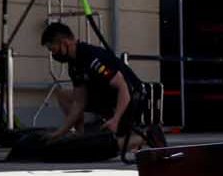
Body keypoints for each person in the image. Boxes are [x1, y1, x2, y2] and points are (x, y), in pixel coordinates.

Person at [41, 21, 158, 152]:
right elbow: (79, 103)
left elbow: (123, 87)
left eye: (53, 50)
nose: (53, 54)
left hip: (132, 99)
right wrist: (60, 133)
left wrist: (116, 119)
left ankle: (149, 136)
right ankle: (80, 136)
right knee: (64, 95)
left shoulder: (93, 60)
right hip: (108, 98)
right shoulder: (74, 65)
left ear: (65, 42)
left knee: (105, 147)